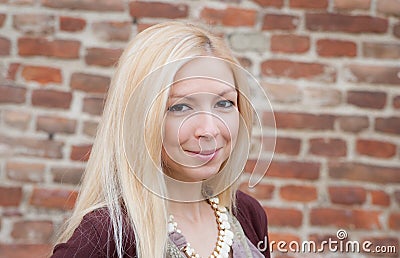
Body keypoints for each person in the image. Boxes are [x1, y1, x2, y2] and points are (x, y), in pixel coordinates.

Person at [51, 21, 270, 258]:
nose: (209, 129)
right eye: (180, 107)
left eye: (224, 103)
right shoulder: (105, 236)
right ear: (139, 119)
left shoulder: (247, 214)